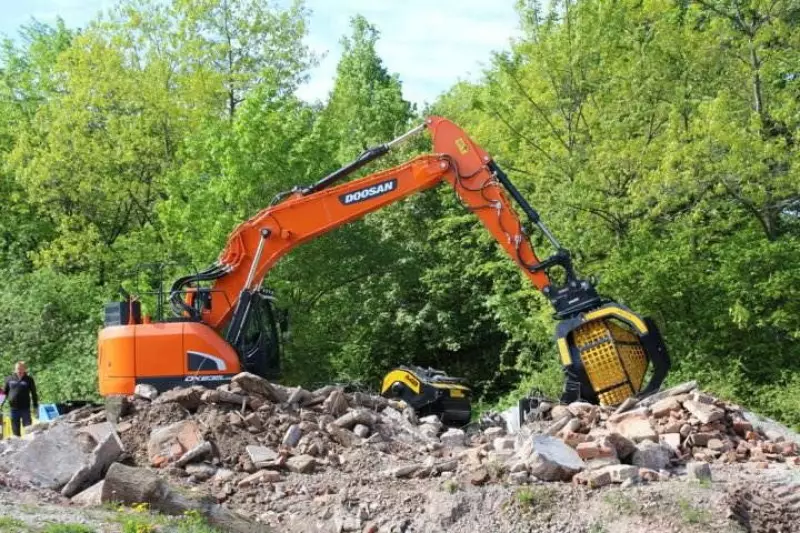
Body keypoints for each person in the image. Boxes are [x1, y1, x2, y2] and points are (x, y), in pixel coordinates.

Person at [1, 362, 38, 437]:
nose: (20, 370)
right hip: (13, 410)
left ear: (25, 369)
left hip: (25, 409)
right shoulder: (9, 379)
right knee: (15, 433)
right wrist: (0, 404)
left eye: (22, 368)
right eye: (18, 369)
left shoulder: (29, 379)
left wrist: (35, 406)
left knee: (29, 431)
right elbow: (4, 393)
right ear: (15, 369)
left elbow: (34, 393)